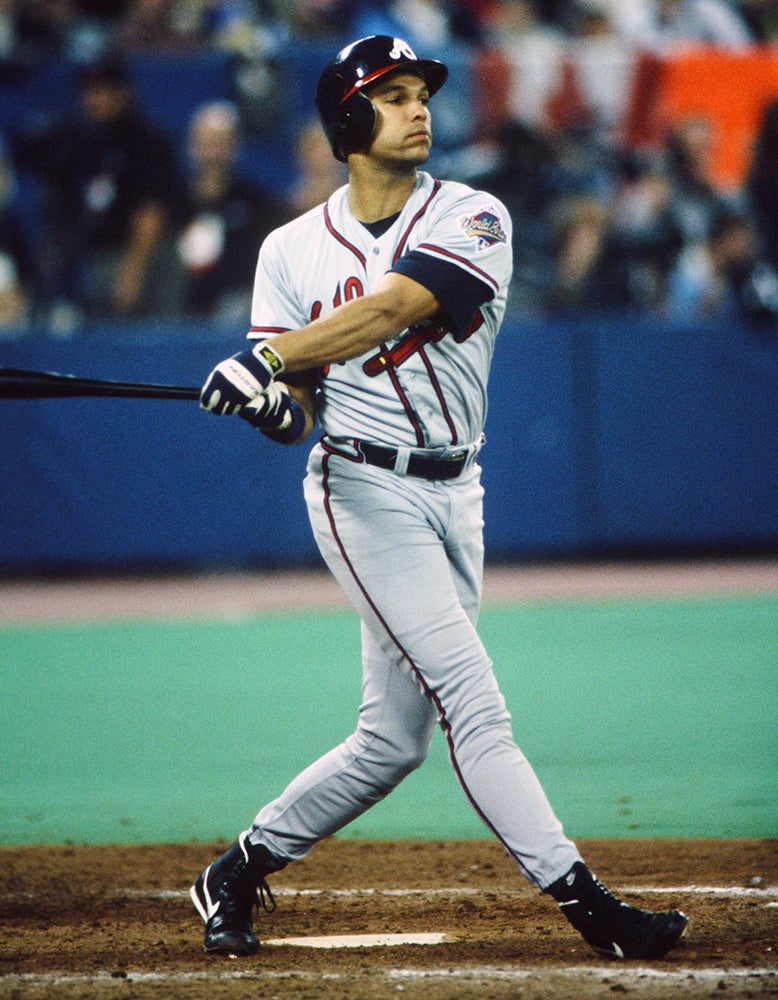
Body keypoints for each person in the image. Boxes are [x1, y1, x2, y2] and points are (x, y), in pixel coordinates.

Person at [192, 34, 689, 961]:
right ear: (347, 120)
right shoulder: (288, 251)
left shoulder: (474, 216)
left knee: (391, 743)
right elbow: (300, 412)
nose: (419, 109)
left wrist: (268, 359)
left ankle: (239, 866)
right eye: (392, 96)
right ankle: (593, 911)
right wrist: (269, 406)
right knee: (472, 699)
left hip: (457, 490)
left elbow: (391, 309)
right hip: (360, 489)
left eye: (422, 92)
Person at [16, 54, 180, 320]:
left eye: (102, 91)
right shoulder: (82, 143)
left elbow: (151, 212)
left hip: (142, 258)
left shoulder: (148, 140)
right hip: (97, 259)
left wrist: (132, 272)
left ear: (122, 93)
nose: (93, 99)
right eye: (88, 91)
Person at [175, 100, 289, 322]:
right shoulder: (172, 202)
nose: (211, 152)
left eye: (219, 142)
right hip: (178, 305)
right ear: (191, 146)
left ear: (234, 146)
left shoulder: (256, 203)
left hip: (234, 310)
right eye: (204, 142)